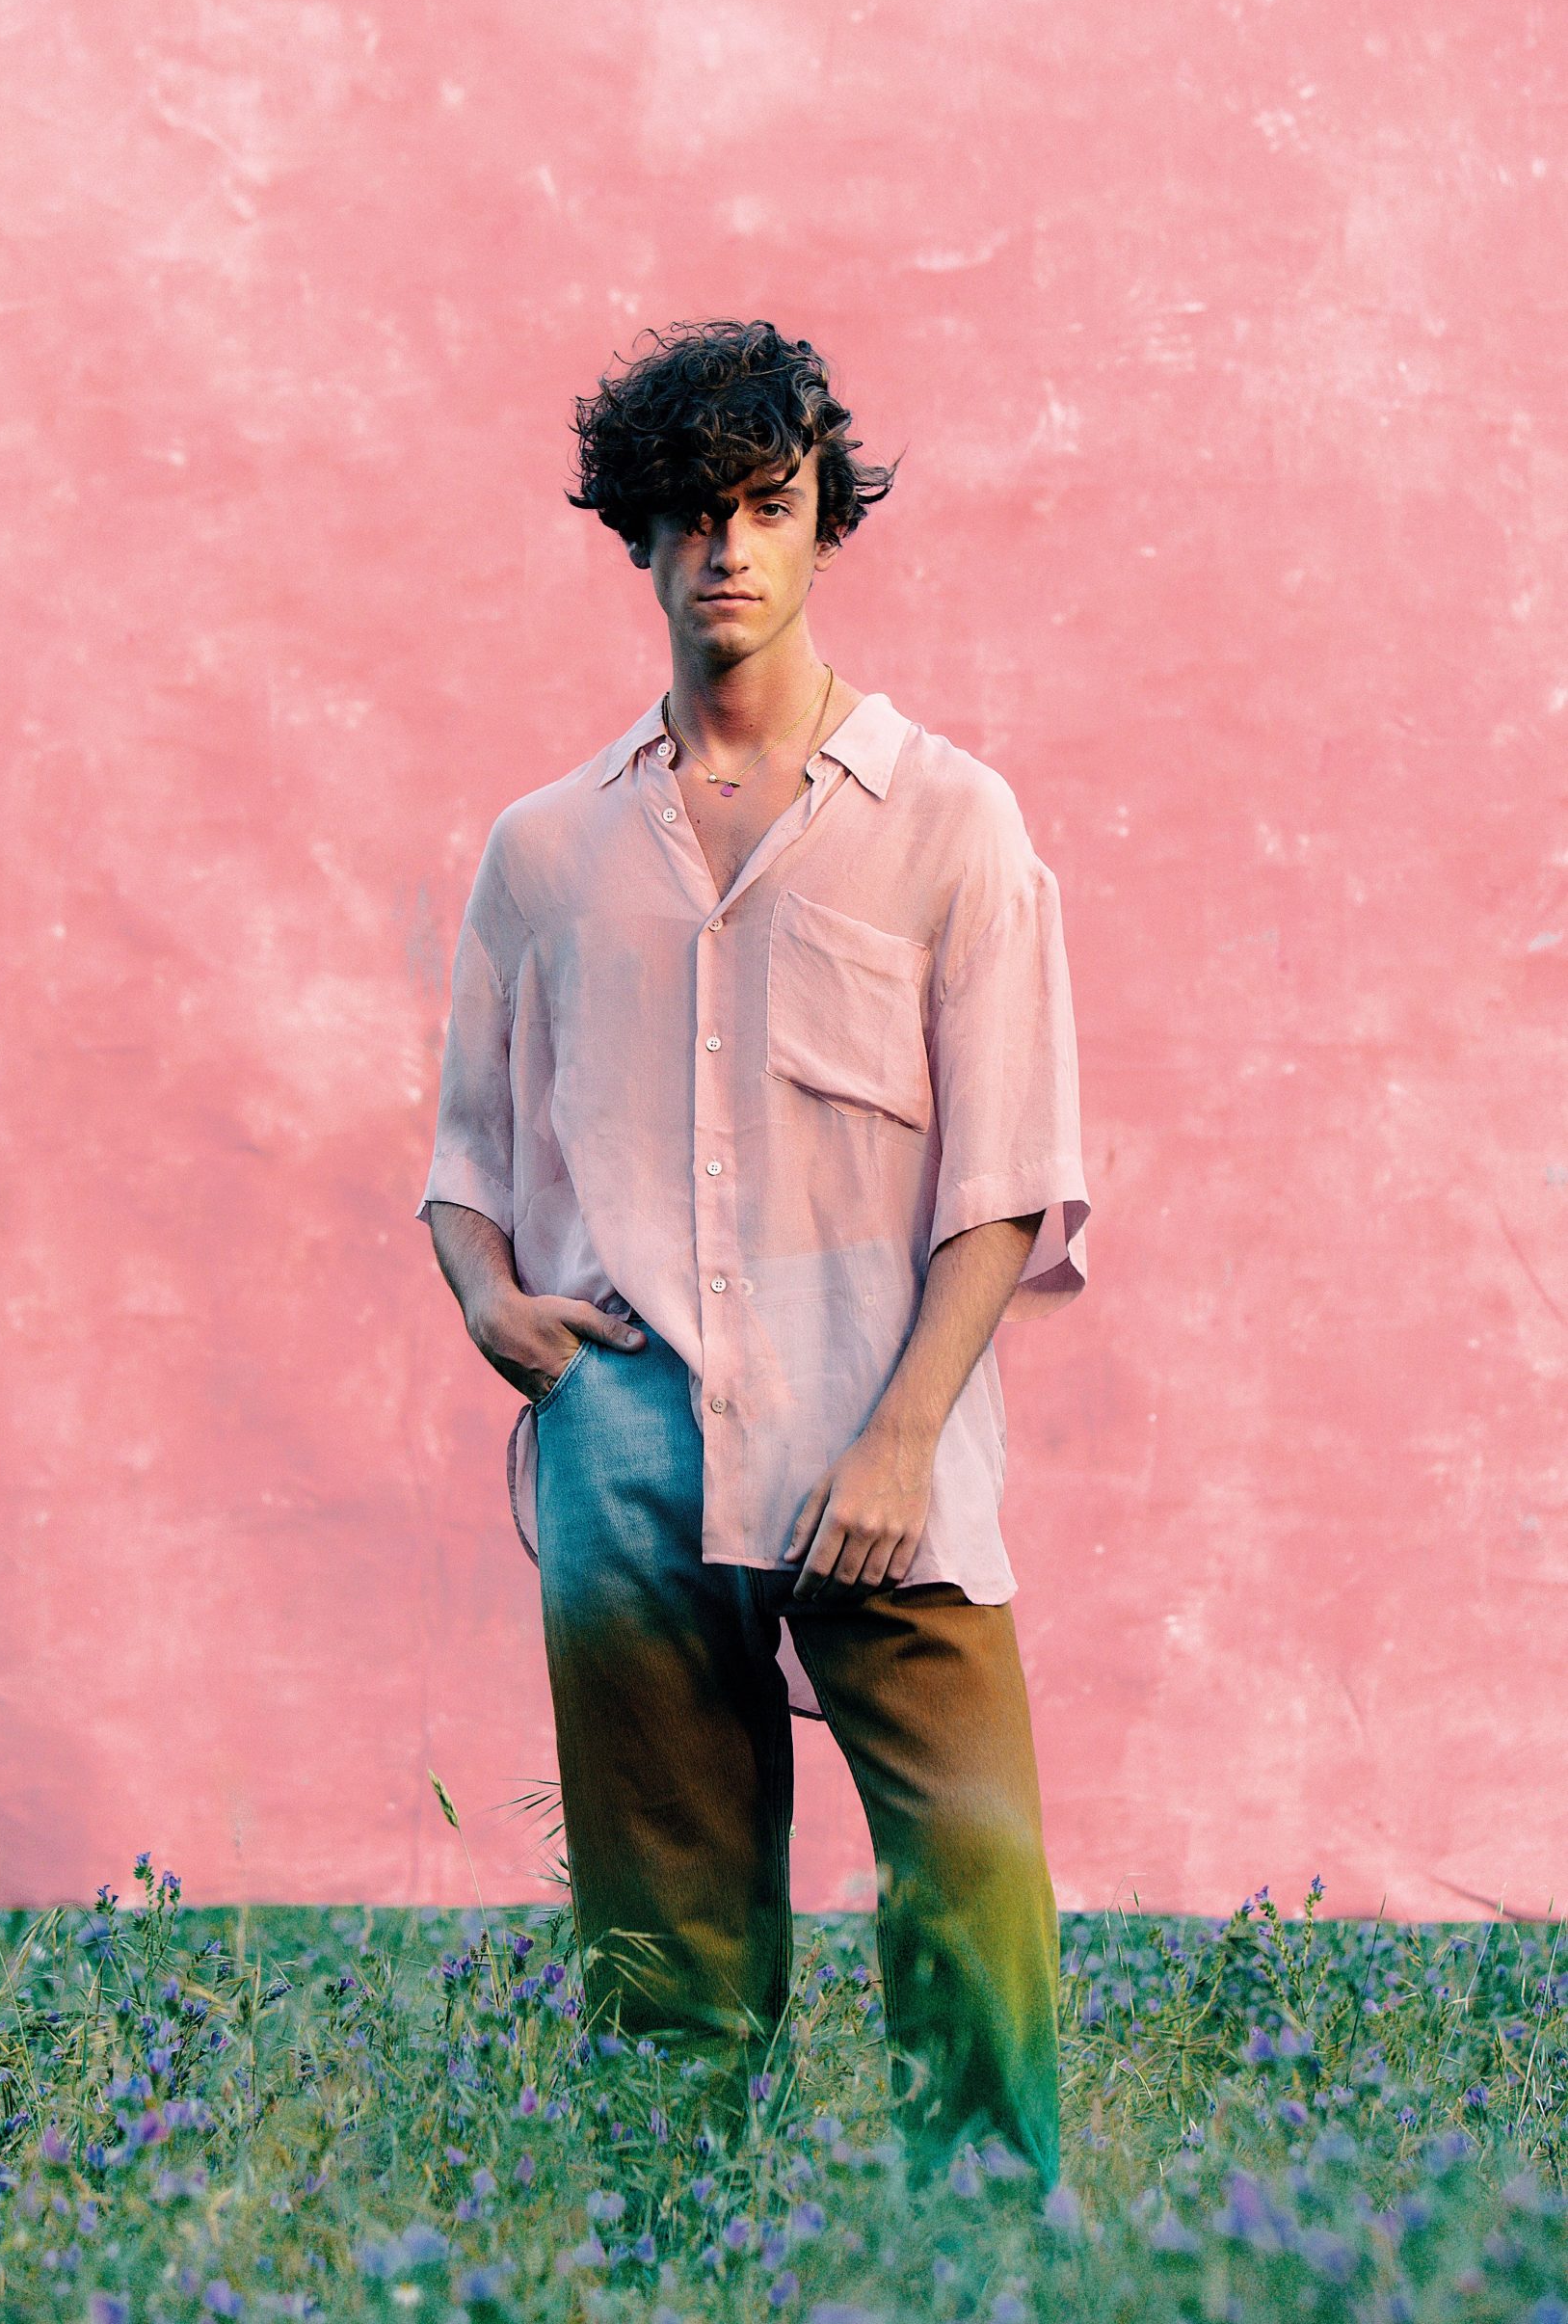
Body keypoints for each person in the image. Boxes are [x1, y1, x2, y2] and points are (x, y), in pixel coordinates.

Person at [418, 318, 1090, 2191]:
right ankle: (674, 2261)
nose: (727, 545)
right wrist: (491, 1301)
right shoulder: (545, 849)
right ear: (637, 536)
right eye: (690, 511)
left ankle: (981, 2271)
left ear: (820, 523)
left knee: (976, 1892)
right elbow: (466, 1151)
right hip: (626, 1454)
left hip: (886, 1446)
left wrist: (896, 1435)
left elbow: (1011, 1175)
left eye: (765, 505)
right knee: (666, 1939)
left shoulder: (954, 822)